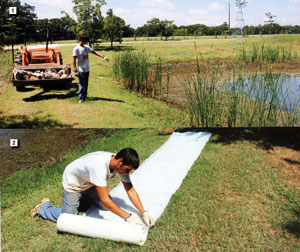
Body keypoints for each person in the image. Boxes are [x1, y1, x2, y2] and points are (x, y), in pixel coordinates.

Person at [30, 148, 155, 227]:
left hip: (90, 183)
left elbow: (130, 190)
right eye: (127, 170)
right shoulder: (99, 166)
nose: (127, 173)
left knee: (105, 207)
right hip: (74, 184)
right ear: (120, 161)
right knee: (69, 218)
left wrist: (143, 212)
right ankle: (44, 207)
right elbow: (105, 199)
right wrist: (128, 217)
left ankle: (83, 199)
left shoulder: (118, 164)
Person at [73, 35, 109, 103]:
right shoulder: (76, 48)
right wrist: (75, 69)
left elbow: (94, 52)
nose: (86, 42)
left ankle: (84, 96)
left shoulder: (86, 47)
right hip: (81, 69)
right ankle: (81, 98)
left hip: (87, 68)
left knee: (86, 83)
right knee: (81, 83)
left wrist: (103, 56)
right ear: (82, 40)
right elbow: (74, 59)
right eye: (85, 41)